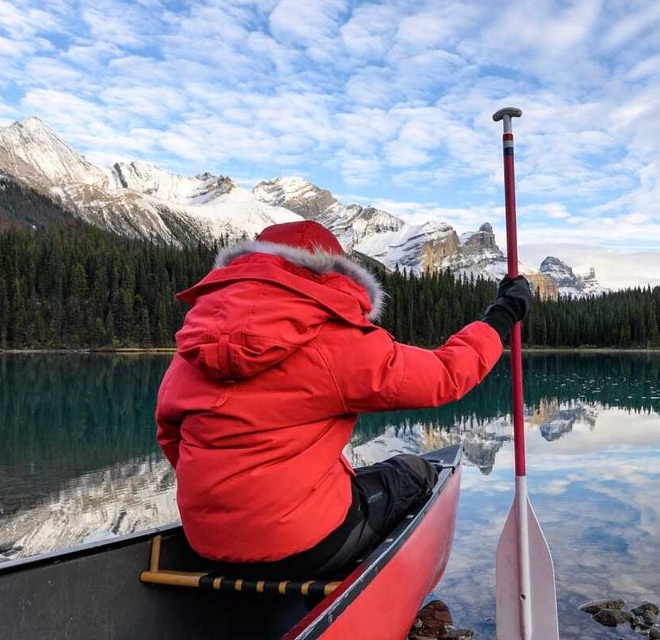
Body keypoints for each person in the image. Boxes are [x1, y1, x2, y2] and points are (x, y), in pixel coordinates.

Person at [155, 219, 533, 578]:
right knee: (416, 472)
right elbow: (445, 377)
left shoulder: (192, 348)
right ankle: (380, 587)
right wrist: (500, 316)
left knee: (357, 479)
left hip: (205, 541)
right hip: (303, 545)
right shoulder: (333, 342)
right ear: (330, 273)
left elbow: (171, 439)